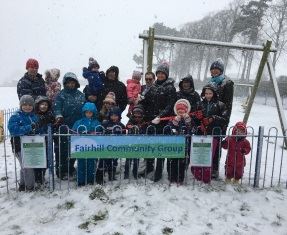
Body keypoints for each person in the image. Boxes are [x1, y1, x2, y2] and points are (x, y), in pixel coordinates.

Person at [140, 63, 177, 182]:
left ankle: (159, 171)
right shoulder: (153, 86)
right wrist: (141, 100)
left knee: (160, 147)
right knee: (150, 145)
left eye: (162, 73)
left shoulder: (170, 87)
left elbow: (170, 105)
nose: (160, 75)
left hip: (163, 123)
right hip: (151, 121)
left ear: (166, 75)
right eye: (159, 73)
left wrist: (160, 117)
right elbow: (148, 101)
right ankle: (149, 168)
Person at [192, 84, 228, 182]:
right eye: (206, 93)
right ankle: (200, 170)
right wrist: (197, 118)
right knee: (201, 152)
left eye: (210, 93)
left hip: (215, 132)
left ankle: (213, 171)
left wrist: (214, 118)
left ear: (214, 93)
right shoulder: (199, 104)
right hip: (202, 132)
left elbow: (225, 119)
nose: (208, 95)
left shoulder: (221, 105)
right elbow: (194, 119)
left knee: (214, 153)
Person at [54, 72, 85, 179]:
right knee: (63, 149)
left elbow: (84, 109)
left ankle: (70, 168)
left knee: (75, 148)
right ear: (65, 83)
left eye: (73, 83)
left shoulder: (80, 95)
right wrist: (59, 116)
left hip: (77, 126)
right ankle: (61, 170)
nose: (71, 85)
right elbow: (57, 107)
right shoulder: (61, 95)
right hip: (64, 126)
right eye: (69, 83)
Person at [8, 95, 41, 191]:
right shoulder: (16, 116)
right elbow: (14, 130)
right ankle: (30, 187)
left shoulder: (34, 116)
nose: (27, 107)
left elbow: (37, 128)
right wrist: (29, 127)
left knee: (25, 165)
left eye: (30, 105)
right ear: (20, 105)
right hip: (19, 145)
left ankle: (23, 185)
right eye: (25, 105)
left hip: (30, 145)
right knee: (28, 166)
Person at [72, 102, 101, 186]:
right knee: (81, 163)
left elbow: (100, 132)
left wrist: (94, 133)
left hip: (92, 146)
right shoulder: (79, 122)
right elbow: (73, 132)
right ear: (84, 112)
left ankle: (90, 180)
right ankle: (81, 181)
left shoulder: (96, 122)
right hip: (81, 146)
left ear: (93, 113)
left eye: (90, 112)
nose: (88, 114)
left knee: (91, 163)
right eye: (87, 112)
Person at [96, 106, 125, 184]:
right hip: (105, 146)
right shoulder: (105, 123)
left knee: (113, 161)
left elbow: (123, 136)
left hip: (115, 147)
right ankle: (99, 177)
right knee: (103, 161)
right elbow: (100, 133)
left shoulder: (121, 125)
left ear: (119, 116)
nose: (114, 117)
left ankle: (111, 175)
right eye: (112, 115)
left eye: (116, 115)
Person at [168, 99, 192, 184]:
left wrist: (188, 122)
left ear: (186, 110)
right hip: (174, 145)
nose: (180, 111)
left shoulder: (188, 119)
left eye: (182, 109)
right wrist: (174, 123)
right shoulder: (172, 119)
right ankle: (172, 177)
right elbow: (169, 129)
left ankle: (180, 178)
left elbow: (191, 130)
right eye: (178, 110)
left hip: (184, 145)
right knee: (173, 161)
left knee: (182, 162)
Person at [34, 96, 55, 186]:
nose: (44, 106)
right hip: (36, 142)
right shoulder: (34, 116)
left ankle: (42, 175)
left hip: (47, 142)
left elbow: (52, 128)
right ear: (38, 105)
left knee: (46, 160)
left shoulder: (50, 116)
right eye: (42, 104)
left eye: (46, 104)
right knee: (37, 160)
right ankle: (37, 178)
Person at [208, 58, 234, 127]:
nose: (214, 71)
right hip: (209, 119)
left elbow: (227, 105)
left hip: (219, 120)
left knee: (216, 136)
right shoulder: (210, 83)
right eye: (212, 69)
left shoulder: (227, 84)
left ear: (221, 71)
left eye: (216, 69)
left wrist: (224, 122)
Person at [124, 104, 148, 179]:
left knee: (136, 160)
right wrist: (129, 126)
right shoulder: (131, 120)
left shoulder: (144, 122)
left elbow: (145, 130)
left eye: (139, 115)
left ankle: (135, 173)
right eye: (135, 115)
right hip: (130, 143)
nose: (137, 117)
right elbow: (127, 125)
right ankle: (126, 174)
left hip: (139, 143)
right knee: (128, 160)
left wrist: (141, 127)